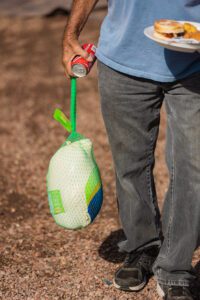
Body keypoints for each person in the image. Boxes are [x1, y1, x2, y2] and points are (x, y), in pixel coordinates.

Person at [62, 1, 200, 299]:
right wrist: (71, 33)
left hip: (195, 63)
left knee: (194, 168)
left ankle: (175, 267)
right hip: (123, 60)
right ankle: (142, 247)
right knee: (130, 165)